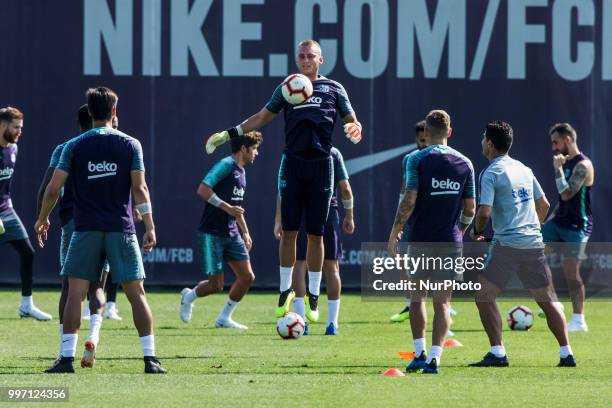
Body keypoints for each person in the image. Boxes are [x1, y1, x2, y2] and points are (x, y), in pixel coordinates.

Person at [205, 40, 362, 322]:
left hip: (322, 166)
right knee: (289, 232)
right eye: (301, 56)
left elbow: (351, 119)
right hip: (293, 164)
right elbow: (262, 117)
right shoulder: (287, 88)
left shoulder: (334, 88)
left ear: (321, 59)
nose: (305, 60)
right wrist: (229, 134)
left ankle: (314, 293)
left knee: (316, 234)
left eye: (310, 56)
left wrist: (354, 128)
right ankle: (284, 290)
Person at [36, 87, 165, 374]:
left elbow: (53, 189)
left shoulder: (74, 146)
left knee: (74, 294)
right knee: (137, 294)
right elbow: (140, 190)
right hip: (122, 229)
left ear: (90, 112)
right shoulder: (132, 144)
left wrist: (42, 218)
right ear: (114, 112)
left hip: (85, 230)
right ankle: (150, 360)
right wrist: (150, 226)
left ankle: (66, 359)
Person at [469, 121, 575, 368]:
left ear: (491, 144)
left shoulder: (491, 172)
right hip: (533, 244)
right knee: (547, 301)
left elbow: (483, 212)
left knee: (483, 297)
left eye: (484, 138)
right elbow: (545, 205)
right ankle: (566, 353)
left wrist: (477, 232)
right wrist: (531, 229)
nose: (482, 142)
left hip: (507, 246)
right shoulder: (524, 169)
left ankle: (497, 353)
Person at [387, 110, 475, 374]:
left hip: (420, 240)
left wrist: (395, 231)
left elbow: (409, 199)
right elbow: (470, 208)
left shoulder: (414, 159)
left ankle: (419, 353)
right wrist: (458, 230)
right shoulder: (466, 163)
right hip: (450, 241)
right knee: (443, 302)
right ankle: (435, 358)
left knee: (417, 298)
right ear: (449, 132)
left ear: (425, 132)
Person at [36, 105, 108, 367]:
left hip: (73, 223)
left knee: (69, 288)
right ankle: (93, 338)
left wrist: (41, 219)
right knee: (97, 286)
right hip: (106, 223)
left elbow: (47, 189)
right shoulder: (116, 145)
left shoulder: (66, 148)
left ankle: (65, 350)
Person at [179, 131, 262, 329]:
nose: (256, 153)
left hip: (232, 233)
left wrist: (246, 232)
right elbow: (203, 189)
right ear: (243, 149)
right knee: (216, 285)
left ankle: (223, 318)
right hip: (211, 233)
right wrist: (227, 208)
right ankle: (189, 296)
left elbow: (237, 208)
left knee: (247, 277)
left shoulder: (242, 172)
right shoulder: (225, 165)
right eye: (254, 149)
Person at [274, 147, 354, 334]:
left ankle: (303, 322)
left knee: (300, 265)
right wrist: (349, 215)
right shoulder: (333, 153)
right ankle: (332, 324)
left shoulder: (293, 152)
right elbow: (346, 190)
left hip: (300, 215)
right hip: (327, 213)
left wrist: (278, 219)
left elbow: (282, 189)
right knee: (332, 267)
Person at [0, 106, 52, 321]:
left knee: (27, 253)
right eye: (16, 127)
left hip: (5, 210)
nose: (20, 132)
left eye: (21, 127)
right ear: (2, 126)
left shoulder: (13, 149)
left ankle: (26, 306)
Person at [541, 123, 594, 332]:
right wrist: (551, 218)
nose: (553, 147)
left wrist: (557, 169)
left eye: (556, 142)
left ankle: (579, 319)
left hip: (577, 225)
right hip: (559, 221)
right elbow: (562, 202)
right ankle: (554, 302)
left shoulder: (584, 165)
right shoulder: (565, 162)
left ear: (568, 140)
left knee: (571, 272)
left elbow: (566, 194)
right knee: (534, 253)